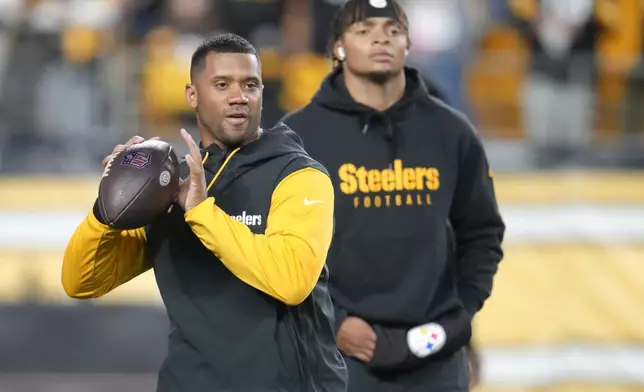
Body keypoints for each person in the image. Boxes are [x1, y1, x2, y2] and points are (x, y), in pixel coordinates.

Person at [61, 33, 348, 392]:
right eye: (222, 84)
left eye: (250, 85)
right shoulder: (165, 185)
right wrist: (107, 210)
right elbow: (81, 282)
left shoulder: (299, 176)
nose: (239, 96)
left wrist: (201, 212)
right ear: (192, 95)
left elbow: (291, 281)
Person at [281, 0, 505, 391]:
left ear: (408, 43)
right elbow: (278, 249)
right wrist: (331, 321)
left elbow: (482, 232)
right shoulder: (297, 137)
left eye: (392, 30)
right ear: (338, 47)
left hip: (436, 356)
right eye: (364, 31)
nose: (380, 38)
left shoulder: (452, 131)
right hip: (337, 354)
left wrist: (461, 313)